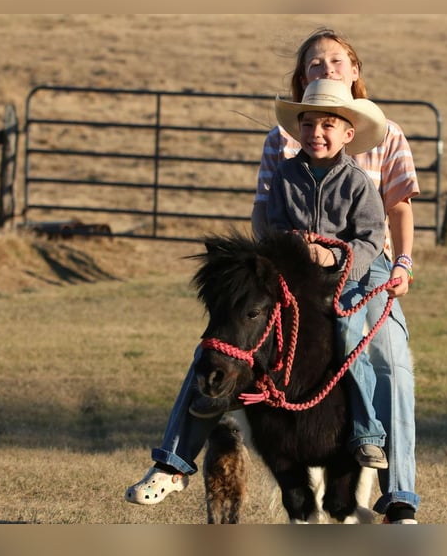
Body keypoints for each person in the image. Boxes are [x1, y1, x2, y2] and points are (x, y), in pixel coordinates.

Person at [126, 27, 420, 524]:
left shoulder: (385, 135)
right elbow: (264, 217)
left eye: (336, 61)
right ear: (301, 80)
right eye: (314, 64)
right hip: (292, 275)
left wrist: (400, 263)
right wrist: (289, 251)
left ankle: (398, 495)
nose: (326, 69)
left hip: (361, 277)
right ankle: (174, 460)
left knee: (391, 360)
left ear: (355, 72)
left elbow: (396, 212)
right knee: (228, 336)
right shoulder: (282, 146)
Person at [268, 77, 391, 470]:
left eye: (327, 126)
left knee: (349, 337)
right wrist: (294, 245)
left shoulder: (358, 183)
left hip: (343, 281)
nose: (316, 133)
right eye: (307, 125)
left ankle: (367, 433)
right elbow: (273, 226)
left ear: (347, 134)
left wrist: (335, 258)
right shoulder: (285, 176)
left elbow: (372, 239)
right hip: (293, 280)